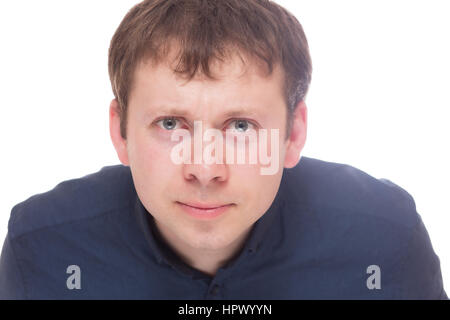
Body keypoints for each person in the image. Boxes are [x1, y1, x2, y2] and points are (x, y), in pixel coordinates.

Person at [0, 0, 447, 299]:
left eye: (240, 126)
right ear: (120, 133)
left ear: (293, 135)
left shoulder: (384, 238)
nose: (205, 168)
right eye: (170, 124)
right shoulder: (43, 246)